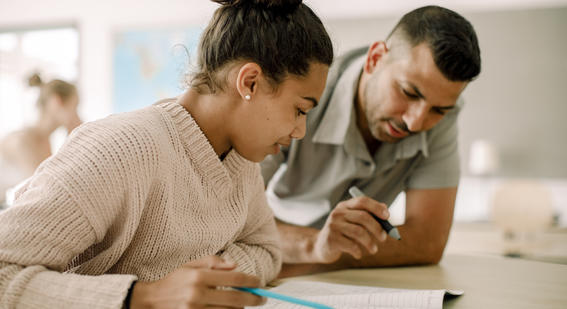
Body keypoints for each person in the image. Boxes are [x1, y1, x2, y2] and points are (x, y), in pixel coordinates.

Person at [0, 0, 333, 308]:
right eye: (300, 110)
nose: (300, 131)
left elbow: (265, 251)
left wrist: (203, 282)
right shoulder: (120, 149)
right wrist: (146, 296)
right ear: (249, 83)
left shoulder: (241, 159)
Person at [260, 5, 481, 276]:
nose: (415, 122)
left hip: (301, 266)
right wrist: (314, 245)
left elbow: (427, 243)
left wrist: (323, 257)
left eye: (439, 110)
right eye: (409, 93)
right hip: (275, 256)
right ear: (375, 58)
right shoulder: (305, 93)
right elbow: (232, 224)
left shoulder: (442, 116)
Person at [0, 74, 82, 203]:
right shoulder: (22, 141)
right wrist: (76, 139)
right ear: (57, 101)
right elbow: (44, 191)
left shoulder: (45, 141)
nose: (78, 116)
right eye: (75, 107)